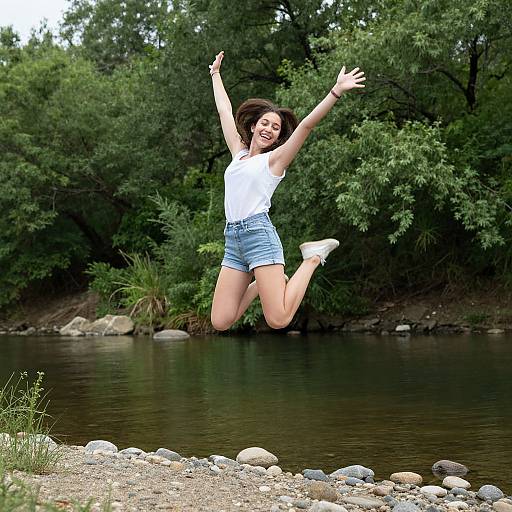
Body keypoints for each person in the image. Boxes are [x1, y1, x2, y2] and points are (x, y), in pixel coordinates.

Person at [209, 51, 365, 331]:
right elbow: (223, 110)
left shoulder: (275, 161)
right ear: (254, 126)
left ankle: (313, 257)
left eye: (276, 127)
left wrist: (336, 91)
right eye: (265, 123)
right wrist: (216, 74)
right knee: (221, 321)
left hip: (259, 236)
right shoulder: (238, 153)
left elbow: (306, 125)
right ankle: (261, 283)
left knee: (278, 319)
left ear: (278, 137)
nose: (269, 128)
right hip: (233, 240)